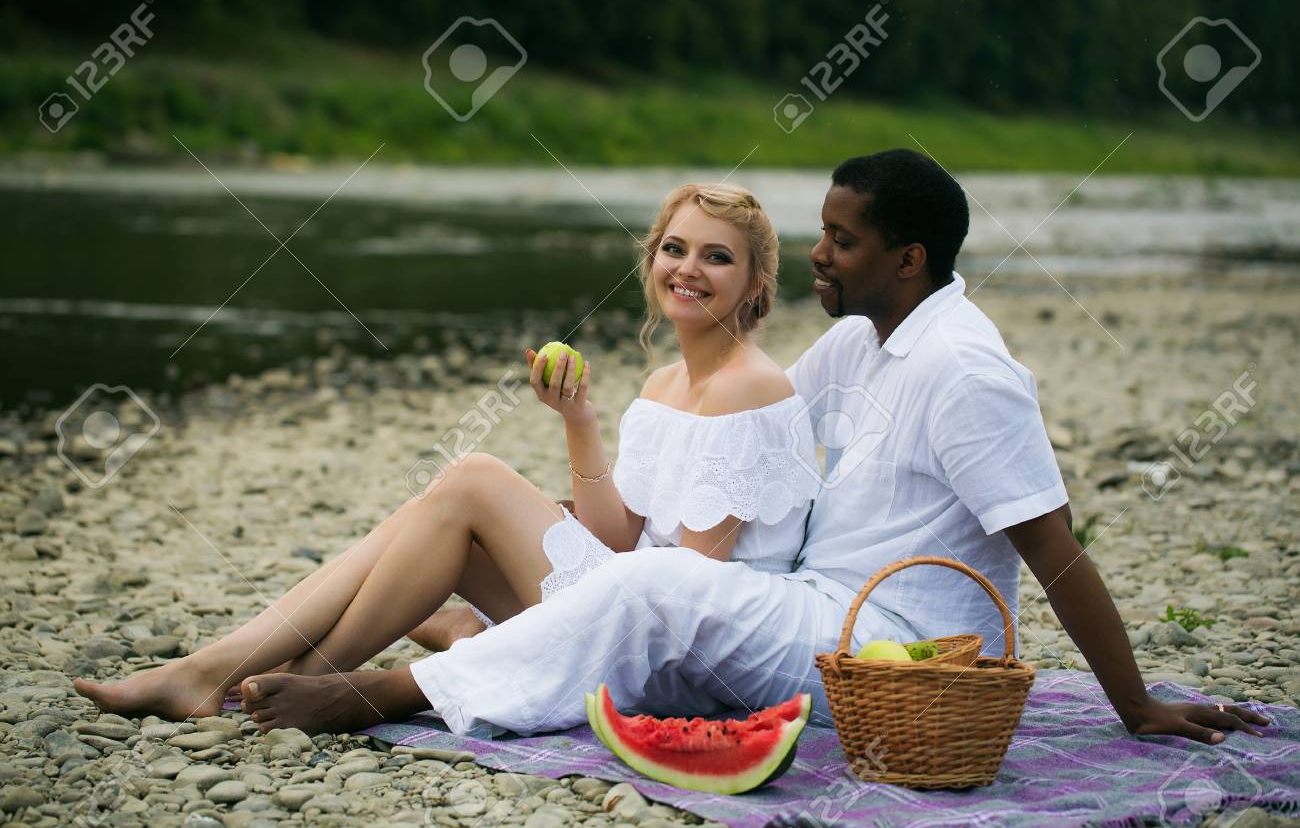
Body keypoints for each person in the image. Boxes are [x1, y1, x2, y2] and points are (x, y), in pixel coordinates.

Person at [83, 152, 1270, 747]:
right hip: (801, 607)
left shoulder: (965, 373)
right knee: (486, 497)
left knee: (656, 575)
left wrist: (1136, 704)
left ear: (907, 259)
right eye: (815, 237)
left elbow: (1054, 551)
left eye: (839, 242)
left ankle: (376, 688)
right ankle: (229, 669)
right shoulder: (861, 346)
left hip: (885, 651)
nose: (820, 258)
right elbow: (734, 424)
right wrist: (596, 421)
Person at [72, 182, 829, 727]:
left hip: (678, 652)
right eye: (674, 247)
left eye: (716, 257)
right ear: (651, 258)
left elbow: (692, 593)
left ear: (755, 282)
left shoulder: (747, 390)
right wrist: (579, 419)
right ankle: (244, 675)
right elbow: (616, 540)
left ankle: (239, 675)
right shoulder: (668, 380)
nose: (687, 268)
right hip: (630, 602)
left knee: (470, 479)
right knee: (433, 516)